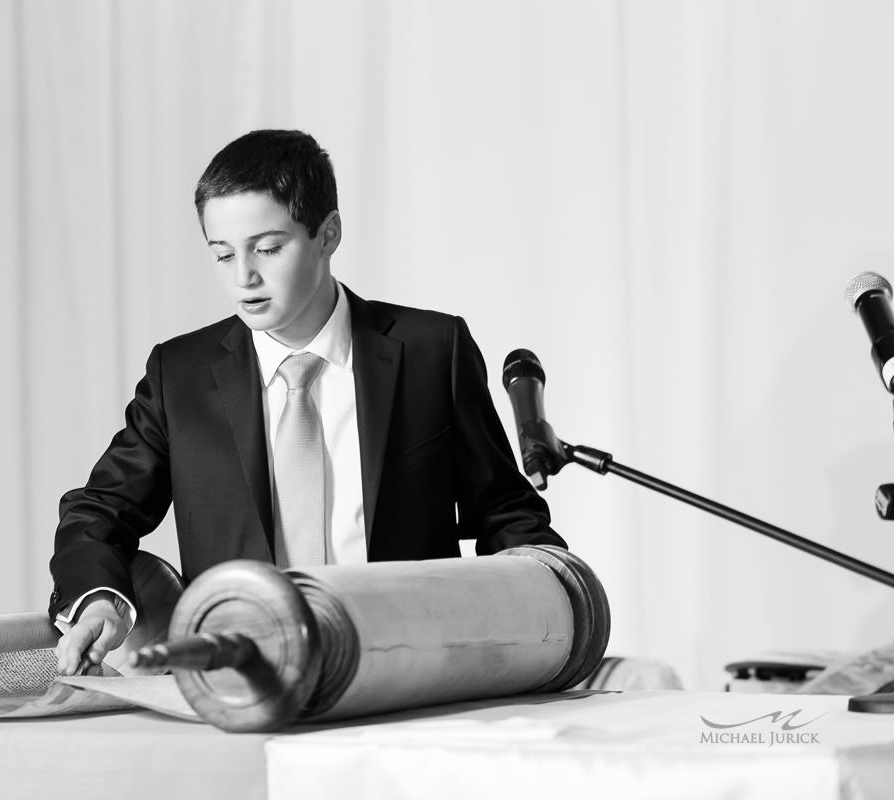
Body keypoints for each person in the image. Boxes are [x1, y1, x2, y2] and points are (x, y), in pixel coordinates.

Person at [51, 129, 564, 675]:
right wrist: (98, 598)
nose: (244, 276)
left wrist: (554, 612)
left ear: (328, 234)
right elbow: (98, 510)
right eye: (223, 255)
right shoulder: (181, 375)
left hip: (410, 677)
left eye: (267, 249)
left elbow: (507, 514)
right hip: (245, 685)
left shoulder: (433, 352)